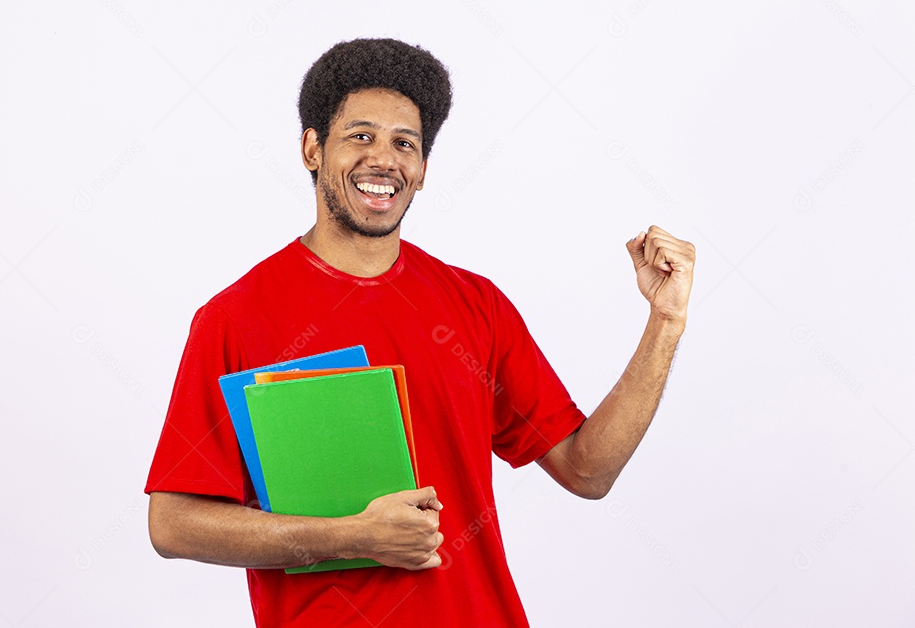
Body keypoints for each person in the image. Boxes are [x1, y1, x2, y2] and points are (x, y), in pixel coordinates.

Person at [145, 38, 696, 627]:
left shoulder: (474, 306)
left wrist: (665, 321)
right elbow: (172, 523)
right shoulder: (235, 318)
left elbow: (588, 470)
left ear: (424, 170)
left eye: (404, 143)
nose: (384, 159)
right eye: (361, 136)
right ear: (312, 148)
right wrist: (353, 536)